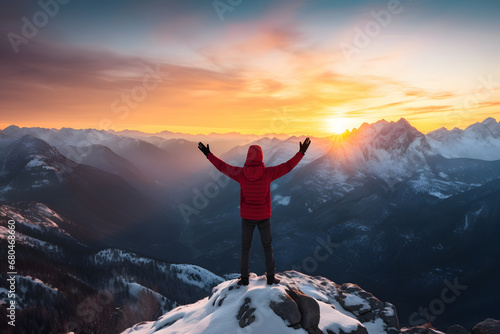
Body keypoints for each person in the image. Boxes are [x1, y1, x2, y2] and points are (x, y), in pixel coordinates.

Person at [198, 137, 311, 286]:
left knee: (245, 248)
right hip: (264, 216)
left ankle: (244, 278)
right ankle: (271, 277)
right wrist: (301, 153)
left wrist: (208, 154)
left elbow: (222, 167)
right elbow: (288, 166)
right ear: (261, 157)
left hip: (247, 217)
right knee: (267, 247)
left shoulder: (240, 173)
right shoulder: (268, 173)